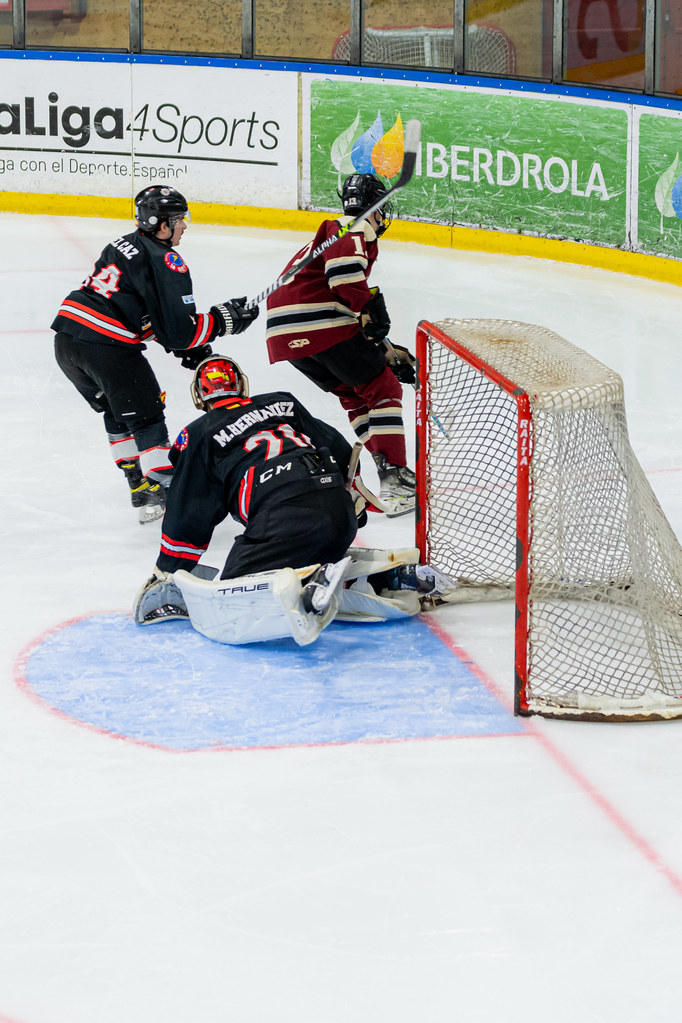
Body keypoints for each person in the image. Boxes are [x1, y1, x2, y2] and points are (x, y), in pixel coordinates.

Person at [132, 356, 455, 646]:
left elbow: (189, 513)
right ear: (241, 385)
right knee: (302, 549)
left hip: (282, 516)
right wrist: (352, 510)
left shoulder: (198, 434)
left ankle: (310, 585)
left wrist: (169, 571)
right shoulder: (281, 403)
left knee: (237, 589)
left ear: (199, 395)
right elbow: (341, 450)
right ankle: (391, 577)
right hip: (335, 509)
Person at [52, 185, 259, 524]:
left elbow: (140, 313)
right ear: (161, 224)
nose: (184, 226)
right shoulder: (167, 260)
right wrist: (223, 321)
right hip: (107, 346)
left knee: (119, 413)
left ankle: (138, 485)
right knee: (146, 418)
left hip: (68, 342)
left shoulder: (123, 243)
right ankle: (166, 490)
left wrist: (188, 348)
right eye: (179, 219)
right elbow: (180, 330)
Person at [265, 173, 417, 518]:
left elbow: (343, 303)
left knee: (354, 392)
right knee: (383, 387)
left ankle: (385, 468)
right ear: (375, 207)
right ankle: (395, 478)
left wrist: (386, 349)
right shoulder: (353, 227)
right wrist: (368, 310)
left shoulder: (334, 234)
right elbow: (344, 276)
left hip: (285, 334)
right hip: (318, 324)